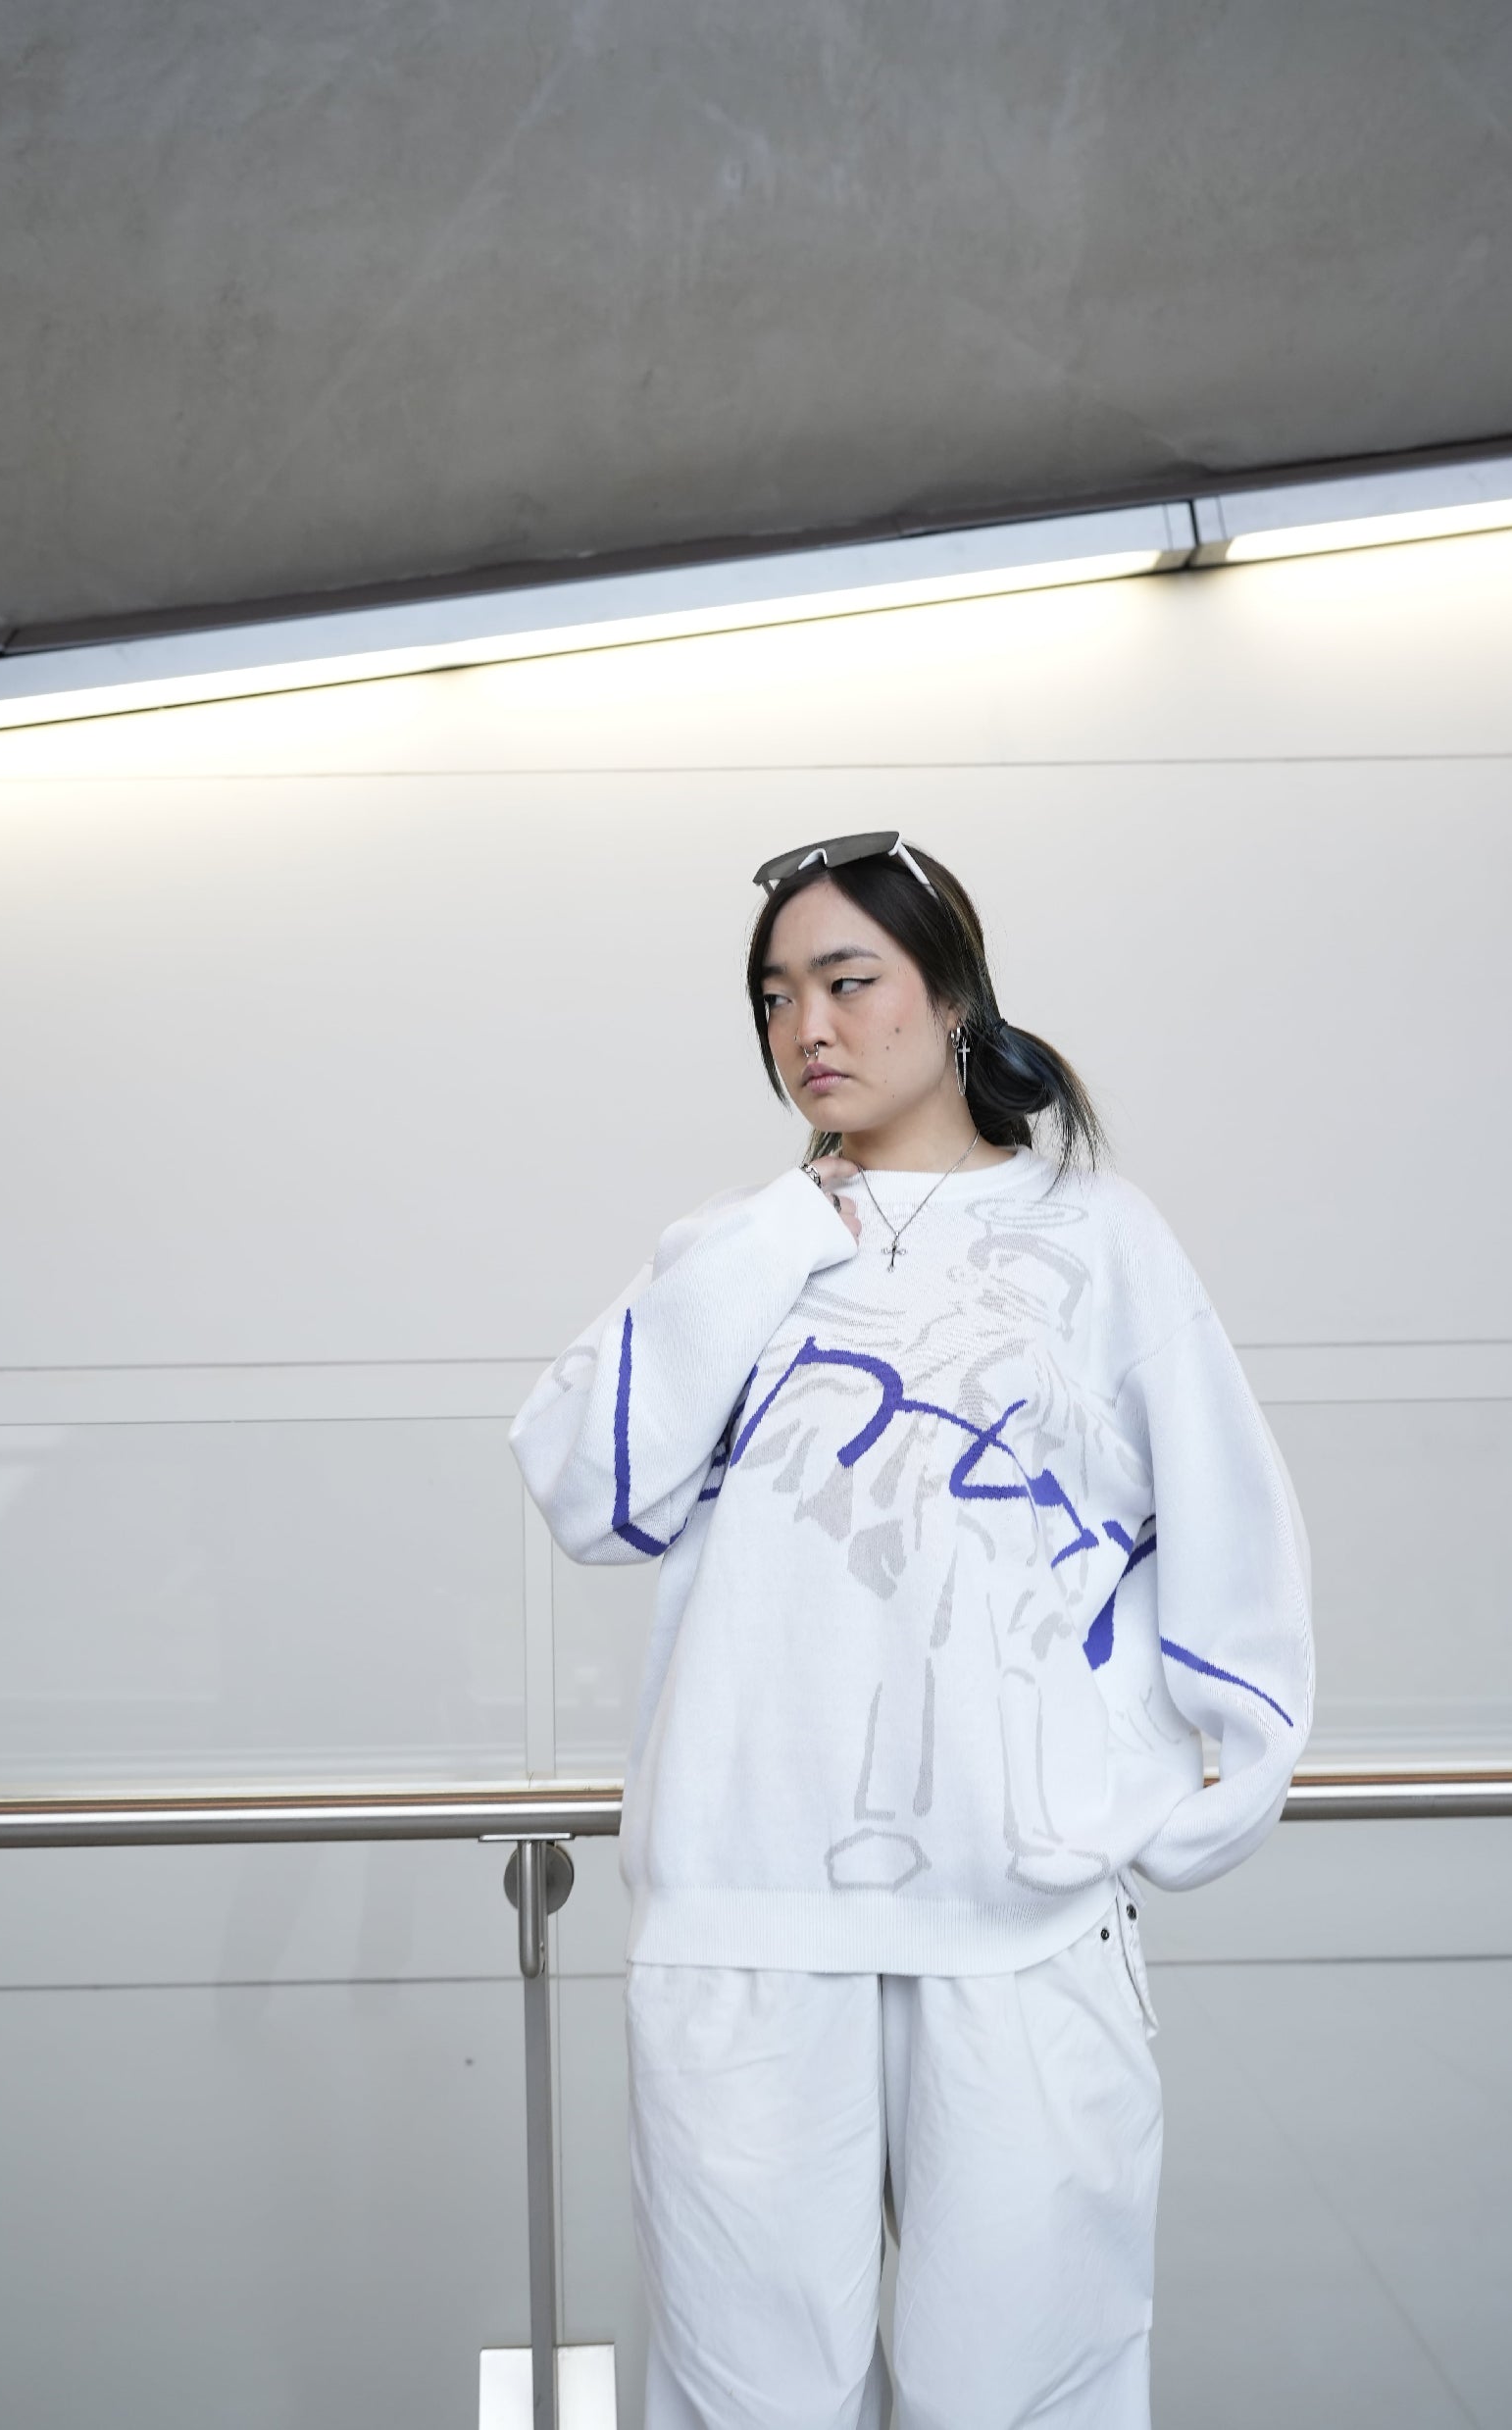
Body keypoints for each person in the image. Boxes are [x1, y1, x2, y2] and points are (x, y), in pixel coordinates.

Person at [507, 830, 1314, 2430]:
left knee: (1028, 2385)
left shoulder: (1098, 1235)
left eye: (847, 980)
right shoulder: (736, 1245)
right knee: (746, 2397)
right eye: (774, 995)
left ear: (950, 998)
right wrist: (786, 1230)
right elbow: (590, 1486)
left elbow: (1227, 1513)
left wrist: (1184, 1790)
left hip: (1020, 1914)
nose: (806, 1025)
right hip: (741, 1908)